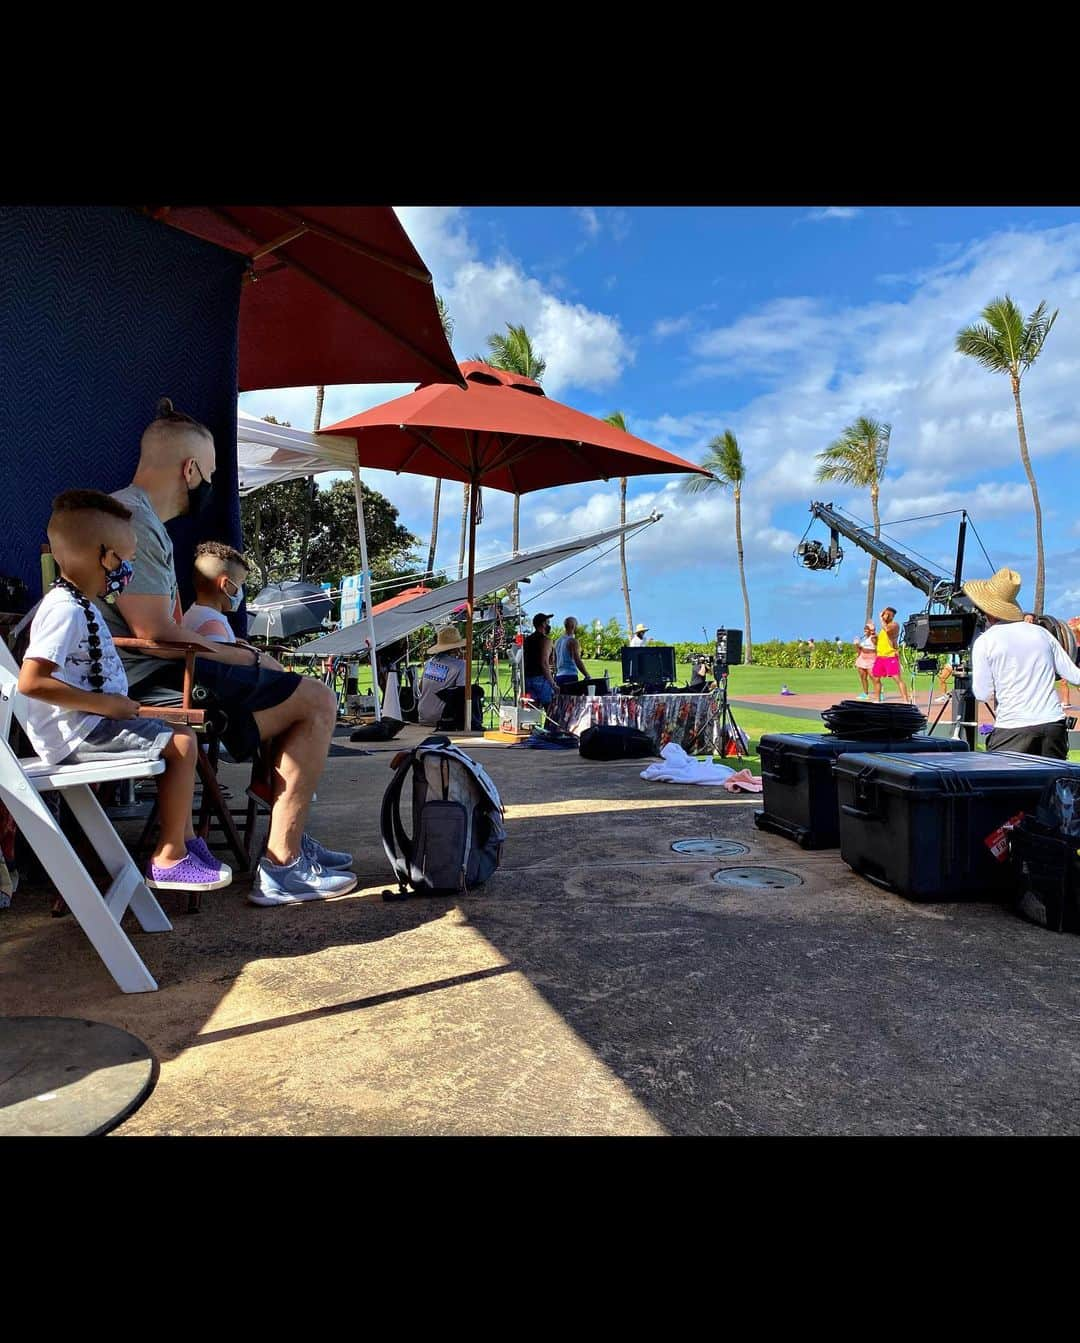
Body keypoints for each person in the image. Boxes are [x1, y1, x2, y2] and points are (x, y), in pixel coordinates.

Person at [96, 397, 357, 907]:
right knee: (318, 700)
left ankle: (291, 840)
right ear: (190, 469)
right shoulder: (132, 520)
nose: (211, 485)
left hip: (150, 674)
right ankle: (283, 864)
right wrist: (236, 656)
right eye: (210, 473)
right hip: (151, 681)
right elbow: (155, 632)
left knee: (294, 694)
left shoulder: (131, 516)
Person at [17, 490, 231, 895]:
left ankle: (184, 842)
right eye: (121, 559)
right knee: (182, 742)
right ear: (94, 555)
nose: (127, 570)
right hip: (77, 733)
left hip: (90, 723)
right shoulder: (63, 609)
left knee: (181, 731)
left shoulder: (82, 603)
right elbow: (32, 682)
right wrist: (107, 705)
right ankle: (169, 857)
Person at [965, 568, 1080, 759]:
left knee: (1006, 786)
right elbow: (1074, 676)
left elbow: (982, 693)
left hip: (1012, 729)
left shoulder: (985, 642)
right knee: (1056, 786)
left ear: (986, 611)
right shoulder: (1041, 633)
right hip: (1053, 726)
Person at [182, 541, 248, 644]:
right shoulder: (214, 625)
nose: (240, 591)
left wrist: (232, 641)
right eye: (240, 584)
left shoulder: (193, 613)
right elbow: (216, 658)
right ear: (225, 585)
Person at [418, 625, 467, 726]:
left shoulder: (429, 663)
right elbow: (462, 694)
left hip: (422, 714)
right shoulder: (461, 665)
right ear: (455, 648)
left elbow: (421, 687)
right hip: (442, 717)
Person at [872, 606, 910, 703]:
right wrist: (874, 638)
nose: (885, 616)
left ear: (891, 616)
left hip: (890, 656)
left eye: (887, 614)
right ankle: (877, 700)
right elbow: (879, 642)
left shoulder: (894, 625)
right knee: (875, 679)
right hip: (880, 657)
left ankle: (906, 701)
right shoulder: (882, 629)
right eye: (884, 614)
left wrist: (881, 619)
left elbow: (888, 630)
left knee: (897, 679)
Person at [523, 612, 557, 706]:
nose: (549, 624)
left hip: (527, 678)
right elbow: (544, 663)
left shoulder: (527, 640)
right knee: (550, 709)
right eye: (547, 622)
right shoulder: (546, 640)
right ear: (543, 624)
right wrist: (553, 684)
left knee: (531, 712)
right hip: (541, 679)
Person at [554, 616, 589, 688]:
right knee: (571, 699)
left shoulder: (557, 641)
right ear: (573, 626)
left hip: (558, 676)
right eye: (577, 625)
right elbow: (577, 660)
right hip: (570, 676)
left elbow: (554, 660)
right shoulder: (573, 641)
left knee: (561, 699)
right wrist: (587, 675)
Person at [854, 621, 877, 699]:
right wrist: (856, 645)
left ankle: (879, 693)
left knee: (873, 677)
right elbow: (859, 650)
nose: (865, 631)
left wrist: (872, 629)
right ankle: (865, 694)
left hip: (871, 659)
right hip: (862, 658)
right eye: (865, 629)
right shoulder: (863, 638)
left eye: (867, 629)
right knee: (863, 676)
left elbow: (876, 644)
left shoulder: (874, 637)